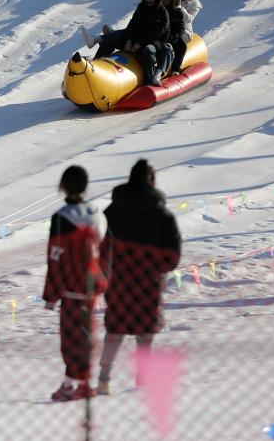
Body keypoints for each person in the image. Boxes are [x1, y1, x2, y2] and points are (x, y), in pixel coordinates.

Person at [96, 159, 181, 396]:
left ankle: (104, 378)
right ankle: (142, 378)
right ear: (152, 181)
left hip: (119, 280)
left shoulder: (113, 212)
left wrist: (106, 271)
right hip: (148, 281)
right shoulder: (162, 215)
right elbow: (173, 253)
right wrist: (159, 268)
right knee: (145, 331)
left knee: (115, 329)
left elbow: (103, 247)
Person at [43, 165, 109, 402]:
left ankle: (73, 385)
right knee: (88, 336)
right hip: (92, 285)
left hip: (70, 287)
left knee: (70, 339)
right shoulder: (98, 215)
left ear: (63, 186)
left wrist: (51, 294)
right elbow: (105, 251)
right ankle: (80, 382)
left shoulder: (61, 218)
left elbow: (55, 255)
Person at [81, 0, 169, 86]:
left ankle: (148, 82)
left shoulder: (162, 13)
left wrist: (137, 44)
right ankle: (95, 66)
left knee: (147, 51)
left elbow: (155, 34)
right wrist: (129, 40)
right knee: (115, 38)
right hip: (135, 42)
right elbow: (132, 25)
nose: (147, 0)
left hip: (150, 44)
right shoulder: (141, 8)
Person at [157, 0, 189, 78]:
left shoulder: (177, 12)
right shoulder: (157, 10)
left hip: (171, 36)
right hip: (158, 36)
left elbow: (180, 27)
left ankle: (175, 68)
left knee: (182, 46)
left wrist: (173, 38)